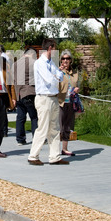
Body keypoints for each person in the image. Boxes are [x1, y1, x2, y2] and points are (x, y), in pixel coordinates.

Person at [28, 38, 68, 166]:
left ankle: (54, 156)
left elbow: (60, 76)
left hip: (53, 97)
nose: (56, 51)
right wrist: (57, 75)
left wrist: (58, 73)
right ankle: (33, 156)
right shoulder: (40, 63)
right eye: (55, 48)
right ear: (50, 48)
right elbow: (49, 79)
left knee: (55, 129)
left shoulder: (52, 63)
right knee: (43, 128)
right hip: (44, 98)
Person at [13, 47, 38, 145]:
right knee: (34, 116)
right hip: (29, 92)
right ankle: (36, 138)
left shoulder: (15, 64)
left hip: (18, 93)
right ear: (33, 54)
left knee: (20, 117)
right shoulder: (33, 63)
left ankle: (20, 139)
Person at [58, 49, 80, 156]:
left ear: (71, 60)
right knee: (59, 127)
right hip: (60, 102)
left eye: (67, 58)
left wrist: (76, 89)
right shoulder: (58, 72)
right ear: (60, 60)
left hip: (71, 102)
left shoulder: (75, 73)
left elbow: (76, 84)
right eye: (63, 58)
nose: (65, 60)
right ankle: (54, 149)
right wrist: (58, 72)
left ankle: (64, 148)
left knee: (67, 127)